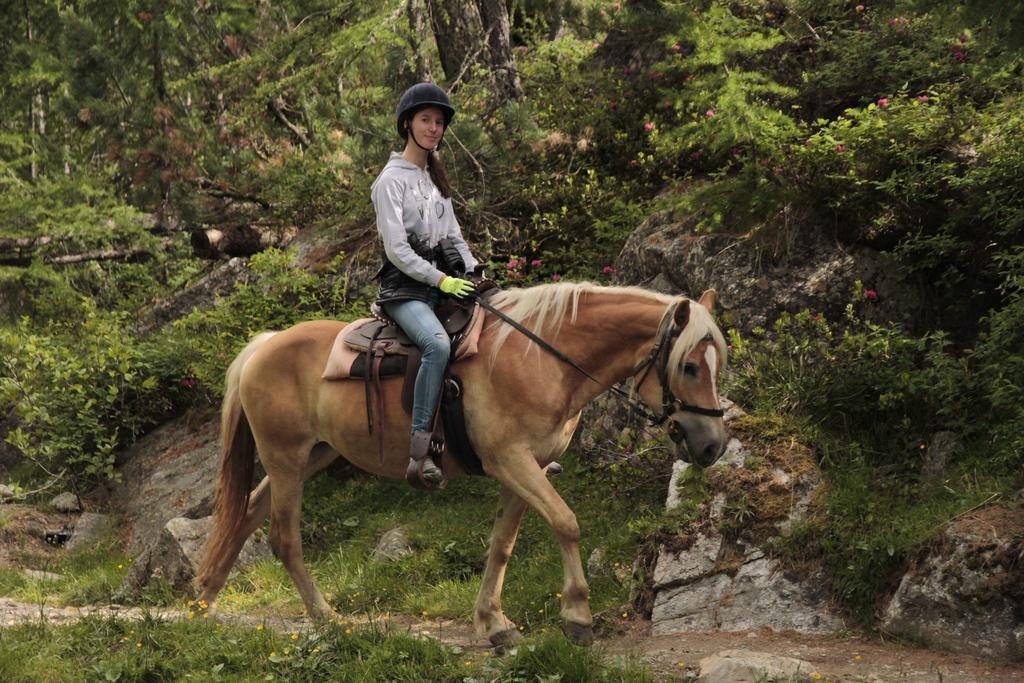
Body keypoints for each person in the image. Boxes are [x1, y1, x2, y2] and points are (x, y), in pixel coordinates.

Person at [370, 82, 480, 489]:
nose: (434, 128)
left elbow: (453, 237)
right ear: (407, 125)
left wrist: (472, 273)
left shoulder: (434, 178)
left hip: (443, 286)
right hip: (406, 292)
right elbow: (397, 250)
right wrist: (443, 279)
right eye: (425, 120)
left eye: (439, 122)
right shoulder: (389, 182)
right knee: (436, 345)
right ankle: (418, 453)